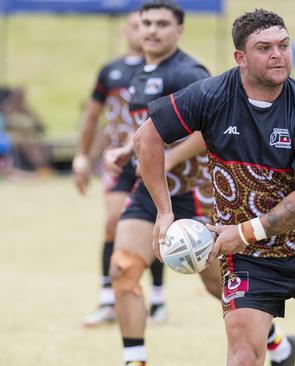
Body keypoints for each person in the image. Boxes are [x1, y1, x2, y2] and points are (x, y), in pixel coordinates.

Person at [135, 9, 295, 366]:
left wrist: (243, 232)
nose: (278, 54)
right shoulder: (212, 95)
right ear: (240, 58)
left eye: (284, 45)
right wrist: (164, 212)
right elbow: (146, 138)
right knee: (244, 357)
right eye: (265, 48)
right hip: (249, 259)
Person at [105, 3, 295, 365]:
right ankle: (135, 360)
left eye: (162, 24)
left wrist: (166, 160)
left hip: (195, 192)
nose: (151, 30)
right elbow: (152, 132)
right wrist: (125, 150)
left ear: (179, 31)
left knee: (218, 283)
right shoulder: (136, 73)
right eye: (146, 23)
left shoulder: (188, 72)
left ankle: (277, 344)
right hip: (152, 193)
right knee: (124, 268)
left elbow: (205, 130)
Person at [72, 10, 169, 328]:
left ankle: (157, 298)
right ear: (127, 31)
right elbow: (92, 115)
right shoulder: (110, 71)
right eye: (136, 25)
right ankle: (107, 299)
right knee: (113, 223)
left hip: (153, 159)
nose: (142, 31)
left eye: (148, 25)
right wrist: (82, 157)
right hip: (119, 160)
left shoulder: (164, 69)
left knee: (154, 226)